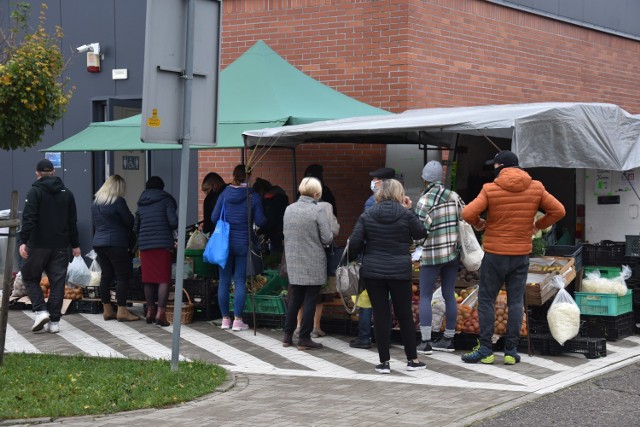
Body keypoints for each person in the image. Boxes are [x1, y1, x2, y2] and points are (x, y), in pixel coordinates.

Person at [461, 150, 565, 365]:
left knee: (487, 301)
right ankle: (511, 351)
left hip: (495, 254)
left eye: (494, 166)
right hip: (520, 255)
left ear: (500, 167)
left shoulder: (490, 189)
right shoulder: (536, 187)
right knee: (516, 302)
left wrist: (481, 225)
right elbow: (558, 211)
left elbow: (468, 214)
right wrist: (537, 225)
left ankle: (486, 351)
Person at [349, 179, 428, 374]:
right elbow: (421, 233)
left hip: (373, 272)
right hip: (399, 272)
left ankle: (384, 362)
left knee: (381, 315)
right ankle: (413, 360)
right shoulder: (404, 214)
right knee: (405, 316)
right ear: (399, 194)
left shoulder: (367, 214)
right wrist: (409, 210)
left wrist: (361, 256)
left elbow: (355, 242)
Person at [19, 159, 81, 334]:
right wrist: (75, 245)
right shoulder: (67, 194)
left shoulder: (34, 192)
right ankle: (54, 322)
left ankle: (40, 311)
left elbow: (29, 218)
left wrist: (23, 241)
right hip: (60, 246)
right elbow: (72, 222)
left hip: (38, 245)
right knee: (57, 283)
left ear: (37, 173)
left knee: (29, 277)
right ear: (53, 172)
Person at [212, 165, 267, 332]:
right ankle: (237, 320)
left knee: (224, 280)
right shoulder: (253, 196)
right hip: (243, 242)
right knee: (240, 282)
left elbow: (214, 217)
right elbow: (261, 221)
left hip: (225, 244)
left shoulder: (225, 193)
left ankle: (224, 319)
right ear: (249, 176)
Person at [282, 177, 333, 350]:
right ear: (316, 193)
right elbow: (327, 237)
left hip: (293, 260)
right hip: (313, 260)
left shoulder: (289, 209)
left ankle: (287, 336)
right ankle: (304, 337)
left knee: (295, 297)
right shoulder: (317, 211)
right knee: (311, 298)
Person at [414, 161, 460, 354]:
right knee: (449, 294)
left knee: (425, 295)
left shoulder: (425, 200)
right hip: (452, 253)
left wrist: (416, 249)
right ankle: (448, 339)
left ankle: (425, 342)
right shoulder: (454, 196)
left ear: (424, 179)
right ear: (441, 178)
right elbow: (464, 217)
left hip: (432, 254)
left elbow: (417, 230)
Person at [350, 166, 396, 349]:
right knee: (388, 299)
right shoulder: (400, 203)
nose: (373, 182)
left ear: (383, 182)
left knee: (367, 298)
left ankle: (364, 337)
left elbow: (363, 233)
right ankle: (384, 337)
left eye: (376, 179)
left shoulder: (371, 202)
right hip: (392, 258)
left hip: (372, 256)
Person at [91, 174, 139, 322]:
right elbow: (129, 222)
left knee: (105, 276)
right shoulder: (118, 202)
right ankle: (122, 311)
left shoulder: (95, 203)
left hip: (99, 243)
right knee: (121, 276)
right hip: (117, 244)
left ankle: (107, 310)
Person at [135, 176, 178, 326]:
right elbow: (173, 222)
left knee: (148, 278)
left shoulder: (141, 203)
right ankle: (161, 313)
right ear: (161, 187)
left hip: (145, 245)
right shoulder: (166, 200)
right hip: (162, 244)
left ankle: (150, 311)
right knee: (163, 279)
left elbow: (136, 228)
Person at [293, 199, 339, 339]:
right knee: (318, 294)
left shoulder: (294, 208)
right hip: (319, 257)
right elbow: (332, 232)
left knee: (300, 293)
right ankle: (315, 327)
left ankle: (299, 326)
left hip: (299, 257)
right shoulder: (326, 207)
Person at [252, 177, 289, 259]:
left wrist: (260, 231)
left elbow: (270, 221)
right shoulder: (279, 197)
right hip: (283, 231)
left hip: (276, 234)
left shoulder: (269, 201)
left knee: (274, 257)